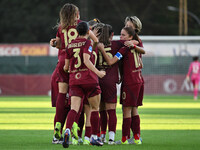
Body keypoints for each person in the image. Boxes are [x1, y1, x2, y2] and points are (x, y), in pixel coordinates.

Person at [98, 26, 145, 145]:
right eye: (120, 34)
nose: (121, 37)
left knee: (126, 110)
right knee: (134, 110)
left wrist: (103, 50)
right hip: (138, 80)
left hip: (129, 82)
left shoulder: (123, 48)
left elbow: (111, 61)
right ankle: (137, 138)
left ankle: (124, 139)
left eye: (123, 35)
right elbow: (143, 52)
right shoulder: (134, 47)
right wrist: (134, 43)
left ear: (130, 37)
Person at [62, 21, 105, 148]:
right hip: (89, 80)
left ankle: (68, 130)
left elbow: (65, 67)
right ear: (88, 32)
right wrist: (98, 72)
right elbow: (86, 60)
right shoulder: (87, 42)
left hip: (74, 80)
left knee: (74, 109)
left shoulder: (69, 45)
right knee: (95, 109)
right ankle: (94, 138)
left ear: (76, 32)